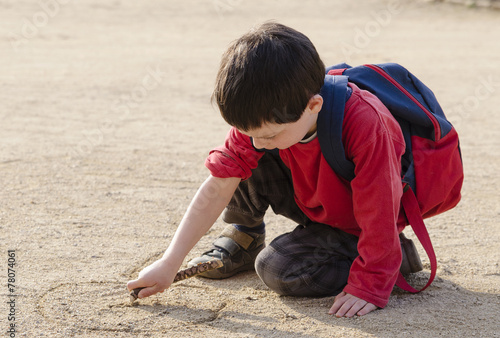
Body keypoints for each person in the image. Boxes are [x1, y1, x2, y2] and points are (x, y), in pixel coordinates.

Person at [127, 21, 424, 317]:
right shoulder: (269, 119)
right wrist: (170, 262)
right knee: (236, 162)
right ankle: (244, 238)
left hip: (357, 220)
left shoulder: (365, 123)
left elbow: (380, 207)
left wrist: (371, 281)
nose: (257, 141)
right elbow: (219, 184)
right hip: (312, 196)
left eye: (269, 134)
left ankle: (393, 258)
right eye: (250, 132)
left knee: (276, 268)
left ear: (313, 105)